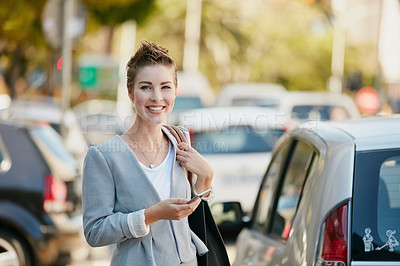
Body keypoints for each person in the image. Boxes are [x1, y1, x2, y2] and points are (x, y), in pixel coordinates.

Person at [82, 41, 214, 266]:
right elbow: (95, 232)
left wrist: (206, 178)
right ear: (130, 93)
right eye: (145, 87)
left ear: (175, 90)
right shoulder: (103, 156)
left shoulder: (180, 141)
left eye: (165, 87)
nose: (157, 97)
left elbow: (191, 214)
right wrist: (151, 214)